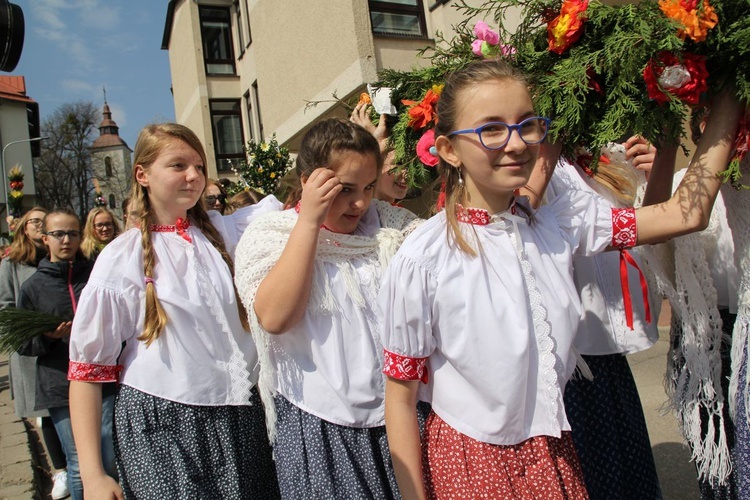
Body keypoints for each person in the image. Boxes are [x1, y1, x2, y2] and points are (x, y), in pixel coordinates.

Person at [378, 59, 741, 499]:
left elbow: (686, 213)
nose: (514, 143)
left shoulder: (560, 223)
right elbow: (400, 396)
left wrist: (730, 88)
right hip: (470, 464)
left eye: (527, 125)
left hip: (555, 452)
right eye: (490, 129)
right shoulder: (423, 257)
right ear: (449, 149)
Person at [67, 123, 280, 500]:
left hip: (239, 417)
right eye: (178, 165)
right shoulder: (122, 257)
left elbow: (296, 213)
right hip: (160, 422)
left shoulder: (226, 232)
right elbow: (87, 371)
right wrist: (93, 475)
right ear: (142, 174)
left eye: (199, 165)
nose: (194, 176)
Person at [234, 118, 421, 499]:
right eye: (345, 189)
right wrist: (309, 221)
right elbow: (274, 317)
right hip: (321, 423)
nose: (360, 203)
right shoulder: (272, 234)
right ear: (308, 181)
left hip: (400, 415)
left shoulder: (392, 227)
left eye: (369, 187)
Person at [544, 141, 663, 500]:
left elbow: (657, 220)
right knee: (594, 476)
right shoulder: (539, 171)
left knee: (628, 470)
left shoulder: (597, 158)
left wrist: (660, 161)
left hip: (607, 350)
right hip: (572, 359)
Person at [17, 208, 116, 500]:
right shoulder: (34, 286)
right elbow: (23, 342)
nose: (66, 240)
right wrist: (46, 337)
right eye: (58, 234)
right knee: (78, 462)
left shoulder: (96, 274)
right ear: (45, 239)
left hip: (102, 378)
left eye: (73, 233)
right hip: (59, 382)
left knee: (107, 455)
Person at [0, 207, 71, 499]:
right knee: (45, 413)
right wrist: (35, 329)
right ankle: (60, 470)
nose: (39, 225)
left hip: (63, 348)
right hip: (32, 350)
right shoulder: (13, 263)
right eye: (34, 221)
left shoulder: (58, 259)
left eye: (44, 222)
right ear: (25, 229)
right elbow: (6, 307)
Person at [351, 103, 410, 204]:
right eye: (399, 163)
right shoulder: (359, 213)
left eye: (410, 165)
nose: (407, 174)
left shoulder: (397, 213)